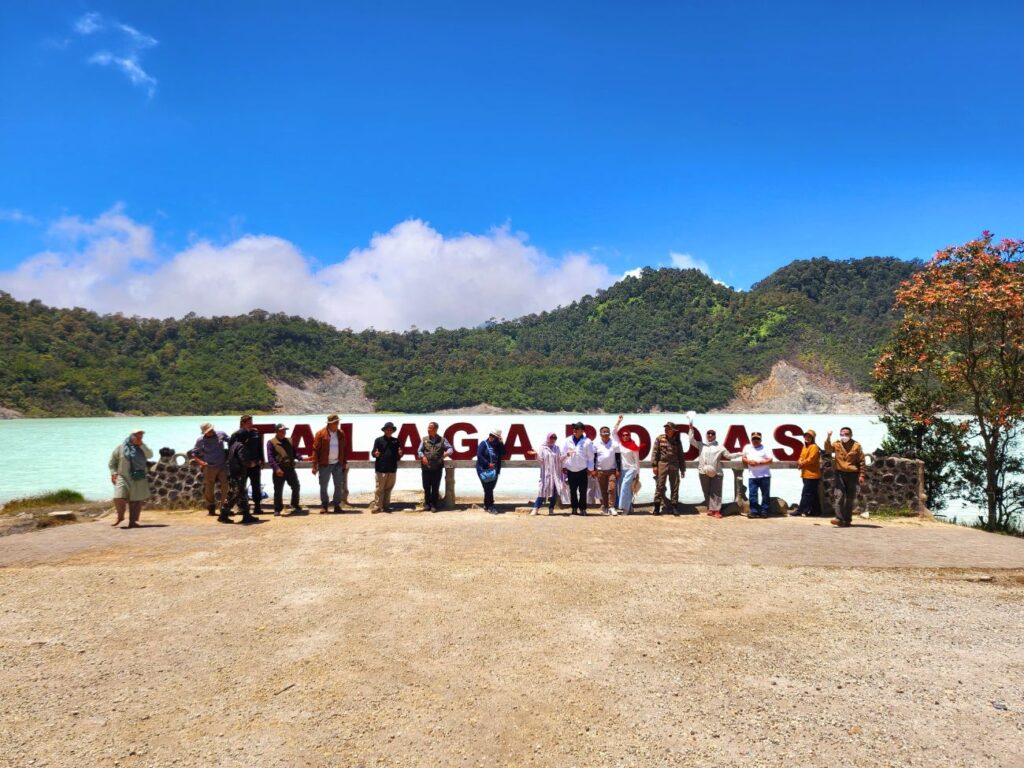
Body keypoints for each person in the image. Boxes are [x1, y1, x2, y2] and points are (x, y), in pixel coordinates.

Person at [687, 421, 740, 519]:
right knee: (706, 491)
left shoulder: (720, 447)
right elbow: (691, 440)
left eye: (712, 434)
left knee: (716, 492)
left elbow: (728, 455)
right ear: (706, 435)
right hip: (703, 472)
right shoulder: (701, 445)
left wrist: (740, 454)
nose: (710, 435)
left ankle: (717, 511)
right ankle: (710, 509)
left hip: (717, 473)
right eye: (709, 433)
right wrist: (691, 429)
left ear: (715, 436)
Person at [108, 429, 152, 528]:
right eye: (137, 436)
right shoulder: (120, 448)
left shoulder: (142, 447)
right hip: (123, 477)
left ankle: (133, 521)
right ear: (131, 436)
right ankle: (120, 516)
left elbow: (150, 455)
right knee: (118, 497)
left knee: (136, 501)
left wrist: (142, 445)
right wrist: (113, 473)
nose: (139, 438)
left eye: (141, 436)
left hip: (138, 477)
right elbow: (112, 462)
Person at [823, 427, 866, 527]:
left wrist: (862, 475)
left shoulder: (856, 445)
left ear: (851, 435)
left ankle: (847, 520)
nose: (844, 436)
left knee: (850, 498)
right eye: (842, 434)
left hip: (852, 474)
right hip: (840, 474)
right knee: (839, 496)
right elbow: (828, 449)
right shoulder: (837, 444)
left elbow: (862, 461)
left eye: (846, 434)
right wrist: (828, 437)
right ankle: (839, 518)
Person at [189, 422, 231, 517]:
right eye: (208, 431)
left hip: (222, 466)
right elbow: (194, 453)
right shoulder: (201, 440)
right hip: (209, 467)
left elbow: (231, 441)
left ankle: (224, 508)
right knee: (209, 487)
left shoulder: (221, 434)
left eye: (211, 430)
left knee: (225, 486)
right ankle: (211, 508)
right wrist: (201, 463)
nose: (210, 432)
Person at [229, 415, 264, 516]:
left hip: (255, 464)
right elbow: (232, 450)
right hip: (242, 466)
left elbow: (259, 447)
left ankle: (257, 506)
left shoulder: (255, 433)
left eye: (251, 422)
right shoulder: (236, 435)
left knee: (256, 486)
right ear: (242, 423)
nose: (251, 424)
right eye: (248, 422)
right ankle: (242, 508)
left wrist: (261, 459)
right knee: (241, 487)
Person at [311, 414, 347, 514]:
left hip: (337, 464)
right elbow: (315, 450)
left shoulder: (341, 433)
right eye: (336, 422)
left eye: (338, 422)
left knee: (338, 485)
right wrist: (314, 466)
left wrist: (344, 462)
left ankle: (337, 506)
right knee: (323, 485)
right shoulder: (320, 433)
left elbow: (344, 449)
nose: (338, 424)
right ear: (330, 423)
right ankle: (324, 506)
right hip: (324, 464)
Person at [527, 432, 567, 515]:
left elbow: (559, 459)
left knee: (555, 492)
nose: (553, 440)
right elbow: (540, 460)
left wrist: (567, 455)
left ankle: (551, 508)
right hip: (546, 474)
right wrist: (536, 455)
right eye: (551, 437)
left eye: (555, 438)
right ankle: (535, 508)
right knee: (543, 491)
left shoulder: (557, 448)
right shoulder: (543, 448)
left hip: (556, 473)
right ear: (548, 438)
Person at [267, 423, 301, 517]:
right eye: (281, 431)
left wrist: (300, 458)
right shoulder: (271, 442)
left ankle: (294, 504)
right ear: (277, 431)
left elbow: (295, 453)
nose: (283, 432)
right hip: (279, 470)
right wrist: (276, 469)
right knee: (278, 490)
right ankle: (277, 509)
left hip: (290, 468)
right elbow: (270, 458)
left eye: (284, 431)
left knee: (296, 486)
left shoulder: (289, 441)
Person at [418, 422, 453, 512]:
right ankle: (427, 504)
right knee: (426, 486)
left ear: (436, 429)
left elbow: (450, 449)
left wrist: (446, 453)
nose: (428, 429)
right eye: (428, 428)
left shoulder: (442, 440)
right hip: (426, 467)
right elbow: (419, 451)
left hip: (437, 467)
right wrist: (423, 457)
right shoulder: (424, 439)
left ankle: (434, 505)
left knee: (435, 487)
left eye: (431, 428)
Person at [561, 422, 595, 515]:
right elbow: (563, 453)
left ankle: (583, 509)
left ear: (582, 430)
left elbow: (590, 457)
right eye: (574, 428)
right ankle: (574, 508)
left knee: (583, 490)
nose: (574, 430)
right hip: (571, 469)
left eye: (577, 428)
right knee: (572, 491)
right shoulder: (567, 440)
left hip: (583, 469)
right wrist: (564, 466)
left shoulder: (587, 441)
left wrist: (590, 469)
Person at [650, 421, 683, 515]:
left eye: (669, 429)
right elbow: (655, 452)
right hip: (662, 464)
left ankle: (674, 507)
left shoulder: (677, 440)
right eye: (666, 428)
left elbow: (680, 455)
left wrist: (683, 469)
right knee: (660, 486)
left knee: (675, 486)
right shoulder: (659, 438)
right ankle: (656, 508)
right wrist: (654, 465)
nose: (666, 430)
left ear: (673, 430)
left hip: (674, 465)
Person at [223, 438, 259, 524]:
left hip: (233, 473)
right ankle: (223, 515)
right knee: (234, 494)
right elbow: (242, 459)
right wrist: (251, 464)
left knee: (242, 494)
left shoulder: (233, 445)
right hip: (238, 473)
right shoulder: (241, 446)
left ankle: (246, 515)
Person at [741, 431, 773, 518]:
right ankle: (754, 511)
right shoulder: (747, 447)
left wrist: (758, 463)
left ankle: (764, 511)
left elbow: (770, 460)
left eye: (757, 439)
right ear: (751, 439)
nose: (756, 440)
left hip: (765, 475)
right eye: (754, 439)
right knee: (752, 495)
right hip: (752, 476)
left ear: (760, 439)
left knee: (765, 495)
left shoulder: (765, 448)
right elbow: (743, 458)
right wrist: (749, 461)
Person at [791, 429, 823, 517]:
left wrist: (802, 463)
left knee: (806, 493)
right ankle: (816, 511)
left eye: (809, 436)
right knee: (813, 494)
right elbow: (801, 456)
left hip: (812, 475)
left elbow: (811, 459)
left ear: (813, 438)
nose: (807, 438)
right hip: (806, 474)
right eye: (806, 436)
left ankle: (800, 510)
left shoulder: (814, 447)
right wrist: (800, 461)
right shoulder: (805, 446)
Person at [613, 416, 641, 515]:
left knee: (625, 487)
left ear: (630, 436)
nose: (625, 436)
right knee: (623, 489)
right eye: (624, 435)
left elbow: (637, 461)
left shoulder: (634, 446)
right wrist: (618, 422)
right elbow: (613, 433)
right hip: (621, 470)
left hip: (631, 469)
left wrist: (638, 474)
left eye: (627, 435)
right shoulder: (620, 444)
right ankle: (629, 508)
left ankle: (622, 508)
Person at [370, 421, 401, 513]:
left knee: (388, 489)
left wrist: (400, 454)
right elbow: (373, 453)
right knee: (379, 489)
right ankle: (377, 506)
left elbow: (398, 454)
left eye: (390, 429)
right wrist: (375, 454)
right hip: (381, 468)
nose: (389, 431)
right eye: (387, 429)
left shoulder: (396, 441)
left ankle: (386, 506)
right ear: (384, 430)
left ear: (392, 431)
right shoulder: (378, 440)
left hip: (392, 468)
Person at [593, 424, 622, 515]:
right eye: (603, 432)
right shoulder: (596, 444)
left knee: (612, 489)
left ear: (609, 433)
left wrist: (618, 469)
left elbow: (618, 458)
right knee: (603, 490)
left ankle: (611, 507)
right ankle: (605, 507)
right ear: (600, 434)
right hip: (600, 470)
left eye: (607, 432)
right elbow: (594, 458)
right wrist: (594, 469)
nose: (605, 434)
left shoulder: (615, 444)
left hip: (612, 470)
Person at [477, 428, 505, 514]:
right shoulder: (483, 443)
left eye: (493, 436)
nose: (491, 437)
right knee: (488, 488)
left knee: (489, 488)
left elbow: (503, 453)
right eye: (490, 435)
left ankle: (486, 504)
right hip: (483, 470)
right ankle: (491, 506)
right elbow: (479, 455)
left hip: (495, 470)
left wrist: (501, 442)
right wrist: (487, 464)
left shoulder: (498, 445)